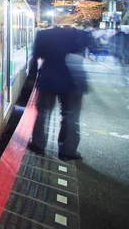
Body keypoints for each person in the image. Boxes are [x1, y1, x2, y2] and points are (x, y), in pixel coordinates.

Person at [27, 25, 94, 161]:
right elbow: (90, 50)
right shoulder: (82, 35)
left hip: (49, 79)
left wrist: (31, 78)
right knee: (70, 117)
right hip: (74, 81)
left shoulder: (44, 34)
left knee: (43, 114)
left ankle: (38, 145)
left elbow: (35, 57)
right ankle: (67, 151)